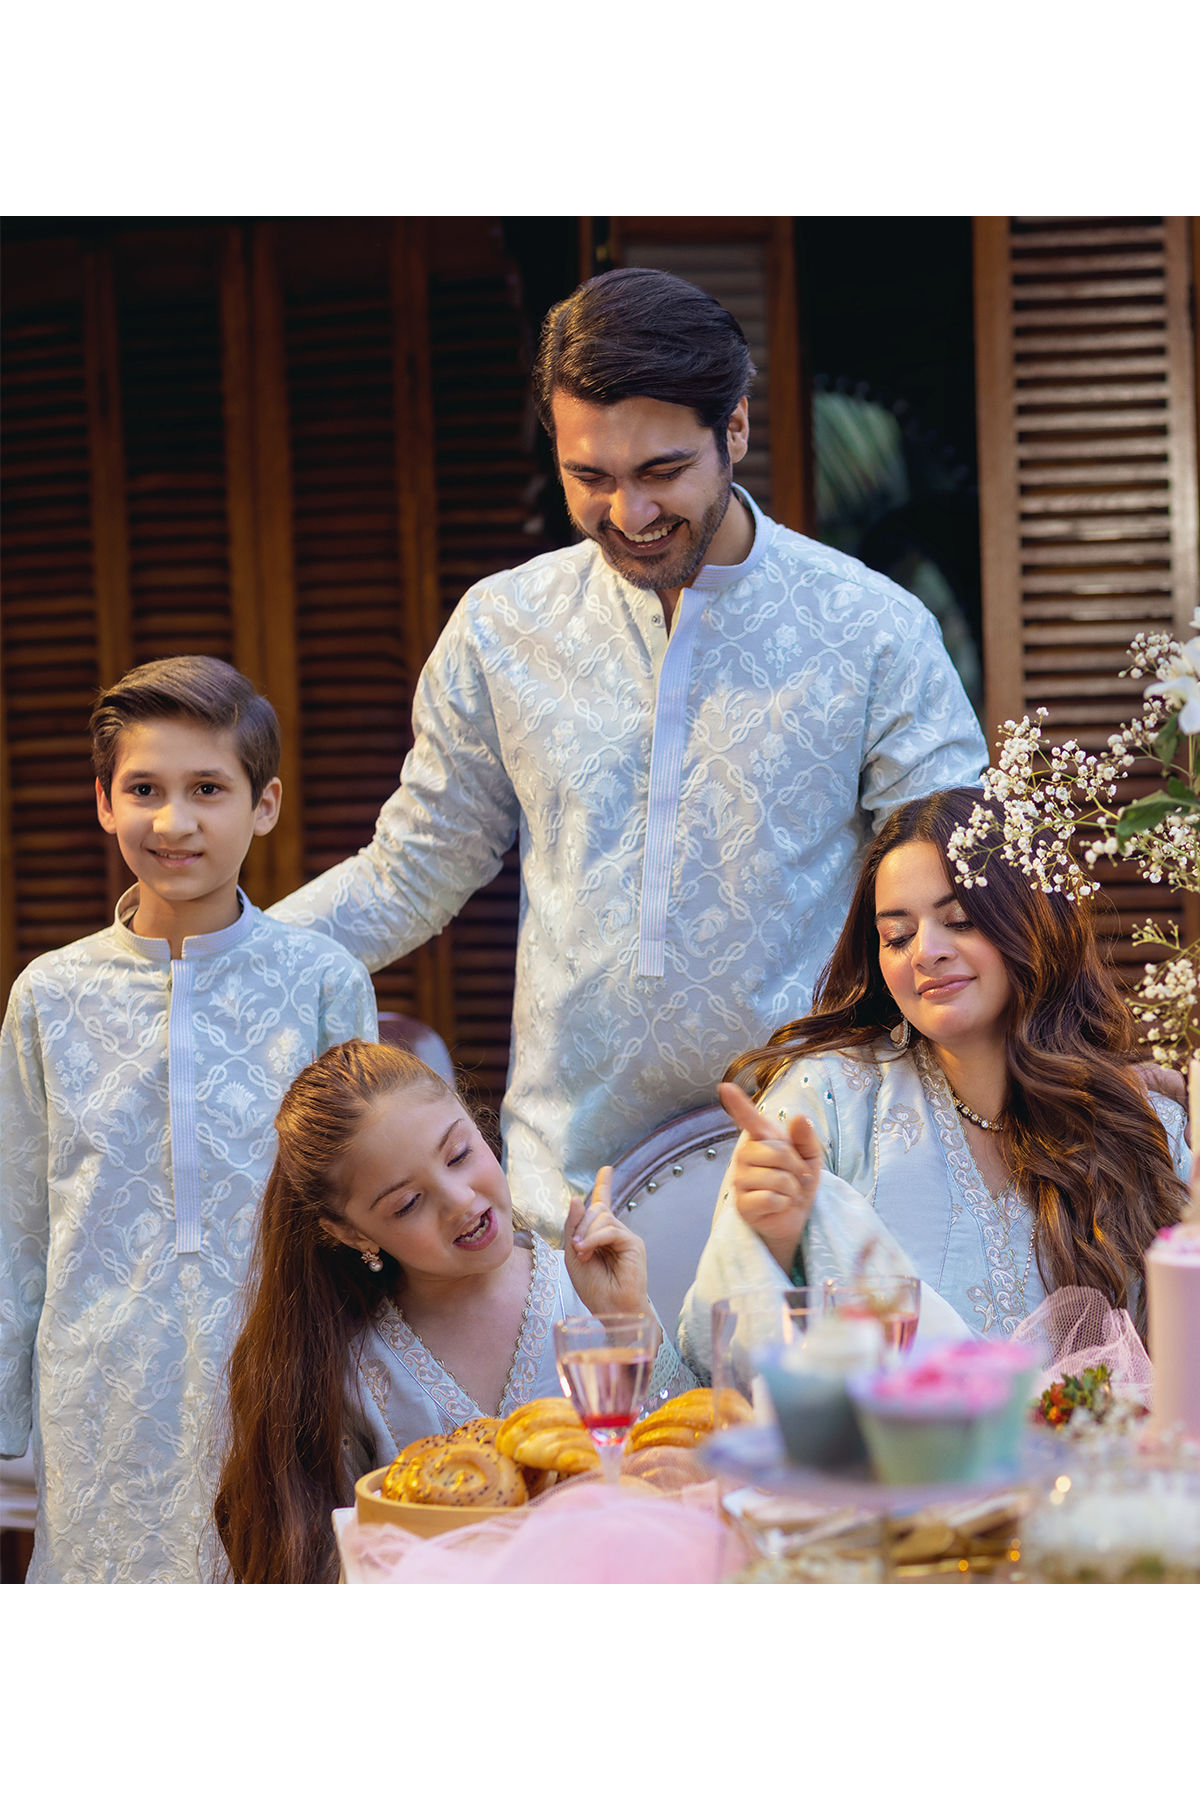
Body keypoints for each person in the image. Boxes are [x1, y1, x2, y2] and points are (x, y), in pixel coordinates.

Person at [270, 266, 987, 1242]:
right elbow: (413, 869)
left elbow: (970, 887)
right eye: (591, 478)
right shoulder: (503, 628)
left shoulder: (873, 630)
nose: (629, 514)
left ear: (736, 430)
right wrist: (224, 957)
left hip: (821, 1169)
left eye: (662, 472)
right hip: (567, 1190)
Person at [0, 656, 377, 1583]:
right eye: (144, 790)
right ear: (104, 803)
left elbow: (367, 1199)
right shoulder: (49, 995)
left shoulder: (322, 983)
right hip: (100, 1391)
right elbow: (17, 1220)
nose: (173, 822)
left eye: (207, 788)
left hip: (281, 1374)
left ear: (264, 804)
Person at [678, 787, 1189, 1378]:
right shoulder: (823, 1100)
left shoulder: (1141, 1124)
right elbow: (710, 1366)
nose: (925, 953)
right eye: (897, 936)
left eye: (959, 920)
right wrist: (778, 1247)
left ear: (1033, 923)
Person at [212, 1037, 691, 1583]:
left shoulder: (587, 1298)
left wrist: (628, 1318)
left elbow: (688, 1469)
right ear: (351, 1233)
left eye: (459, 1154)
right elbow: (341, 1567)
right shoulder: (353, 1369)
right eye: (408, 1204)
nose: (461, 1200)